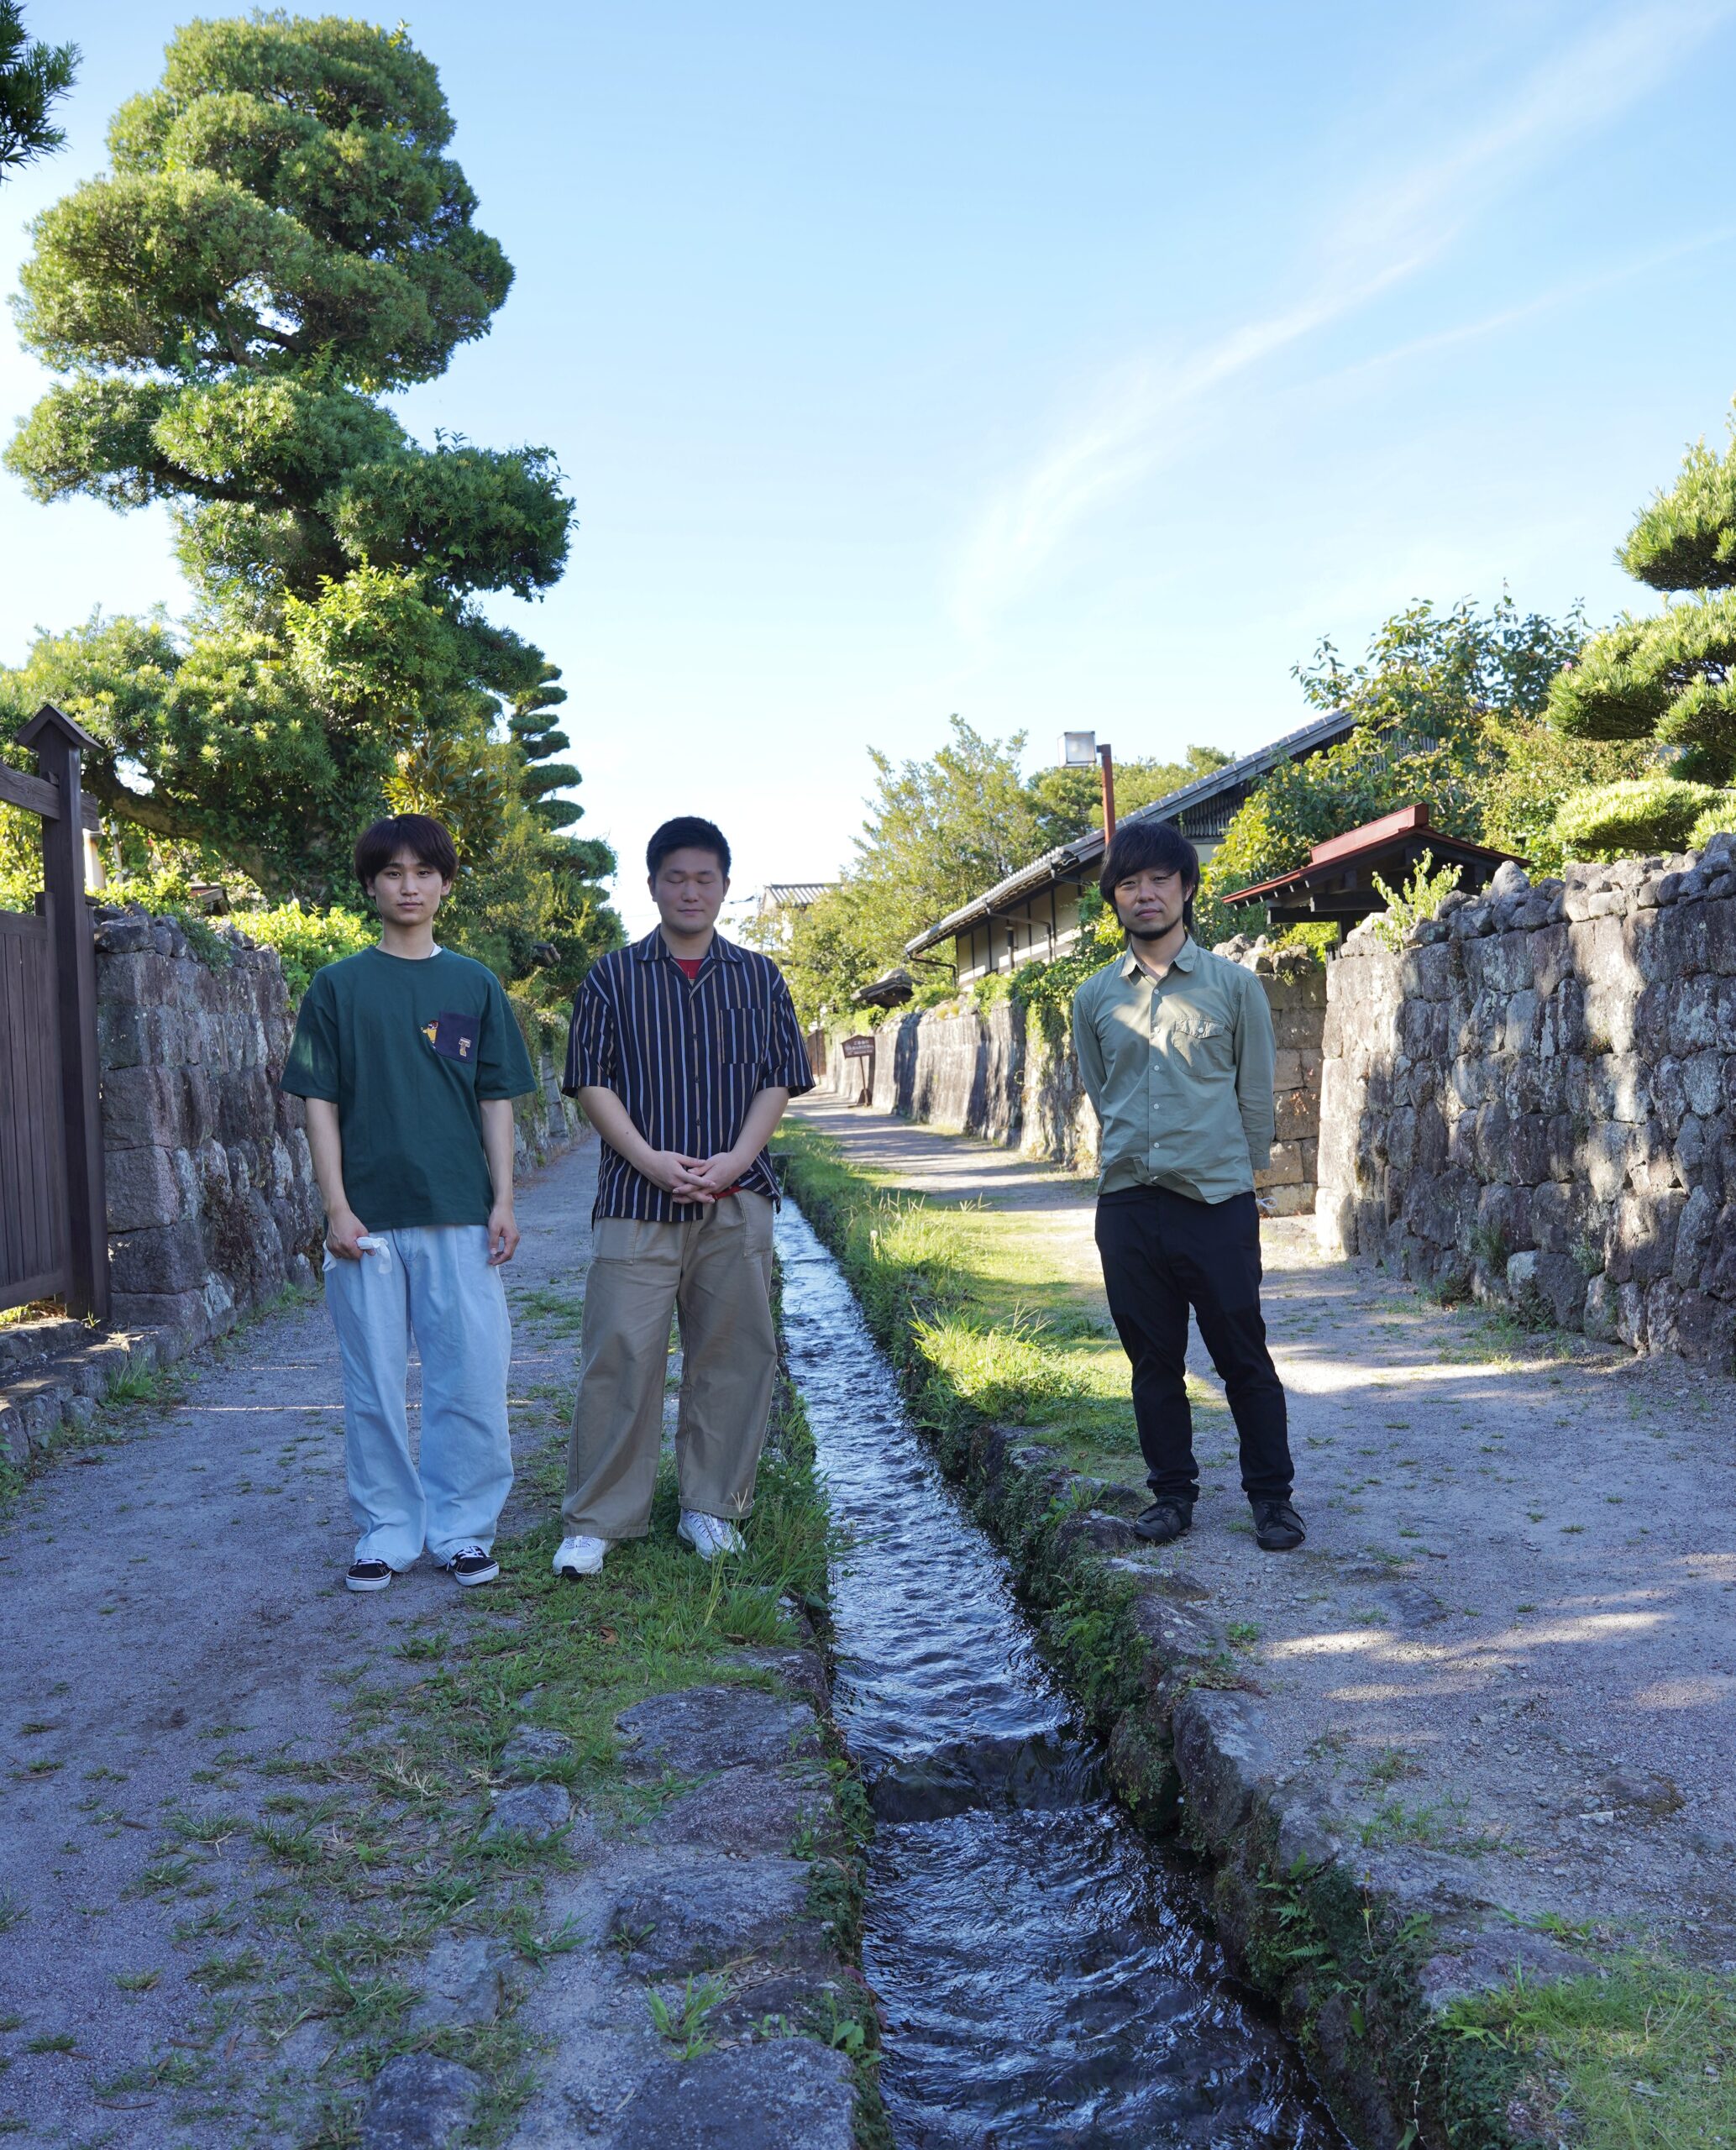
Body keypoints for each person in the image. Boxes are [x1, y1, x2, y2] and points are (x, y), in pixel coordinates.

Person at [552, 815, 815, 1578]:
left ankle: (712, 1506)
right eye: (676, 878)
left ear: (725, 887)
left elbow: (778, 1078)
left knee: (734, 1354)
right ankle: (598, 1518)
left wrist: (737, 1158)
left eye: (705, 878)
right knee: (620, 1352)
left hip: (738, 1197)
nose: (690, 891)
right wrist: (648, 1160)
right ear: (652, 886)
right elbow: (590, 1081)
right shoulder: (611, 976)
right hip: (635, 1197)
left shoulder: (759, 977)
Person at [281, 813, 537, 1593]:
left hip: (461, 1213)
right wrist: (335, 1206)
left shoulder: (473, 984)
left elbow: (495, 1099)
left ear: (446, 884)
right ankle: (387, 1532)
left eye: (424, 872)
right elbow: (319, 1102)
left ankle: (462, 1530)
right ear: (370, 886)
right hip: (368, 1221)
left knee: (471, 1379)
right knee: (374, 1387)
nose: (409, 886)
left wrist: (503, 1200)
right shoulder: (337, 986)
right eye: (392, 872)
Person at [1071, 820, 1305, 1553]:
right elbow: (1100, 1089)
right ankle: (1171, 1495)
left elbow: (1254, 1094)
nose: (1144, 894)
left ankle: (1272, 1500)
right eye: (1128, 883)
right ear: (1113, 899)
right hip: (1127, 1202)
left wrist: (1241, 1182)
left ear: (1186, 888)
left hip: (1214, 1202)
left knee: (1243, 1357)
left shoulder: (1234, 987)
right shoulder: (1093, 997)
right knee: (1152, 1362)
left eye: (1159, 880)